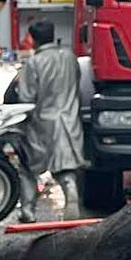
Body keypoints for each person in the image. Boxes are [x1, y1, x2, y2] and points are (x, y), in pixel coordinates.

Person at [12, 19, 85, 219]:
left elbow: (26, 97)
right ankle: (71, 193)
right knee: (66, 167)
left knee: (28, 167)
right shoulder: (70, 58)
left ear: (34, 39)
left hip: (41, 122)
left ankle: (28, 210)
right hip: (69, 120)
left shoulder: (34, 62)